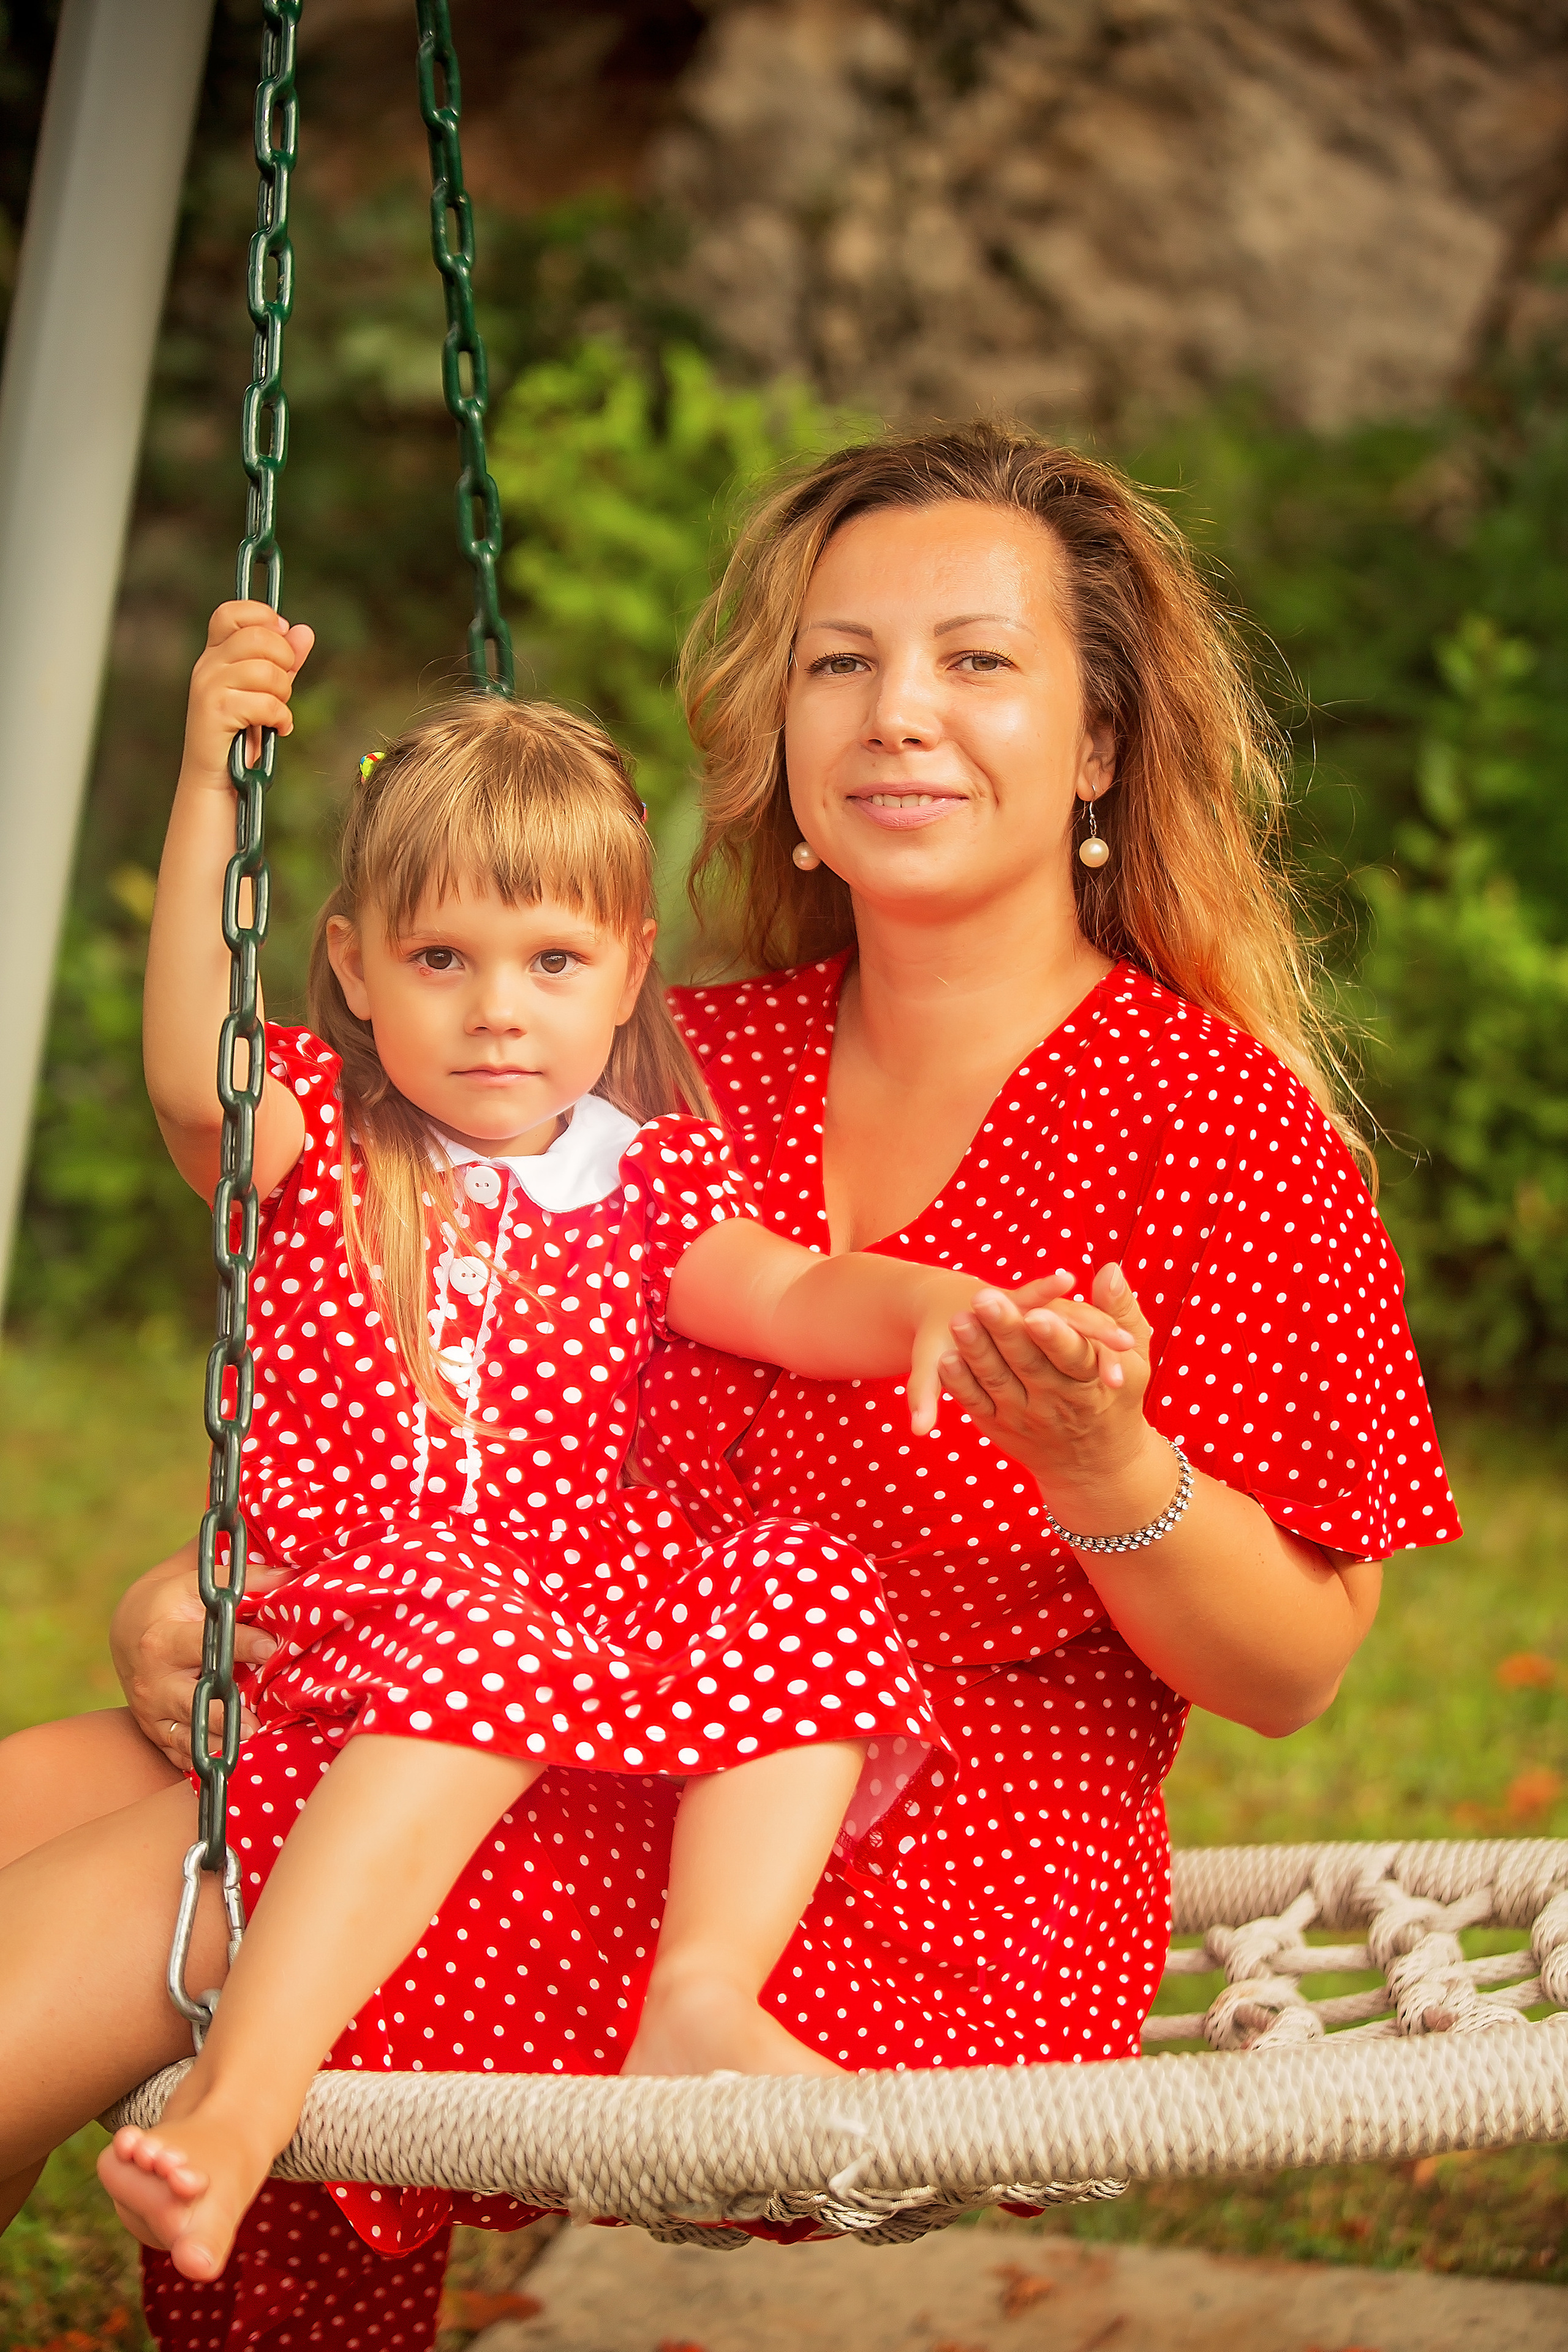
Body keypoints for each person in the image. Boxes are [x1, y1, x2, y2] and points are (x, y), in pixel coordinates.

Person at [0, 423, 1459, 2351]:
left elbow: (1299, 1670)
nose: (894, 715)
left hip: (895, 1871)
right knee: (38, 1801)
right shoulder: (661, 1063)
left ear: (1103, 742)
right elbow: (383, 1281)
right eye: (839, 663)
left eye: (977, 660)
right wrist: (223, 1589)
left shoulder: (1213, 1126)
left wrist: (1109, 1468)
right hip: (566, 1709)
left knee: (90, 1941)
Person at [4, 600, 1137, 2285]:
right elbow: (191, 1076)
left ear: (621, 983)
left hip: (539, 1623)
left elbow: (796, 1288)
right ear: (353, 968)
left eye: (549, 964)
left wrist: (940, 1312)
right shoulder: (318, 1140)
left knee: (809, 1586)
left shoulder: (648, 1173)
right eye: (441, 961)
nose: (494, 1012)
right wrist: (207, 788)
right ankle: (239, 2108)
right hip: (346, 1605)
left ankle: (701, 1997)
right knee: (451, 1647)